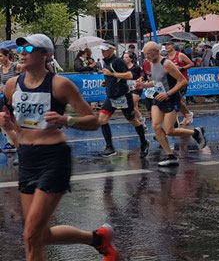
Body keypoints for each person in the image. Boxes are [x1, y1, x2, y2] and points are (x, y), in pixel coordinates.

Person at [0, 33, 119, 261]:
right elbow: (14, 120)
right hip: (26, 158)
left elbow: (94, 121)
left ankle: (99, 239)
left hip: (53, 159)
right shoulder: (12, 85)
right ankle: (98, 239)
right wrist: (7, 122)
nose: (22, 54)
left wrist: (67, 120)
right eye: (21, 50)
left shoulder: (60, 84)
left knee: (31, 234)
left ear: (46, 55)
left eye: (29, 50)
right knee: (39, 235)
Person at [135, 42, 206, 167]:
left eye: (148, 53)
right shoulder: (151, 64)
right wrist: (144, 85)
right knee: (156, 126)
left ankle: (195, 133)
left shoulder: (167, 64)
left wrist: (168, 94)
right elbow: (157, 82)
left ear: (156, 51)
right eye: (145, 54)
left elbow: (182, 81)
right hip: (158, 98)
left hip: (171, 99)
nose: (146, 56)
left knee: (169, 130)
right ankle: (171, 156)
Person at [98, 40, 149, 158]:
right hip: (111, 96)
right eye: (101, 49)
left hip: (123, 96)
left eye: (105, 50)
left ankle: (144, 143)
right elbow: (114, 76)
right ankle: (110, 147)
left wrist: (111, 75)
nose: (103, 52)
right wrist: (106, 82)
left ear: (111, 49)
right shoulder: (107, 62)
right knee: (102, 119)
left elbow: (129, 75)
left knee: (132, 120)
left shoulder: (118, 61)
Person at [165, 41, 194, 126]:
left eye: (168, 44)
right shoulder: (166, 58)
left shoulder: (180, 55)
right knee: (176, 100)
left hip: (182, 80)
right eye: (165, 45)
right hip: (172, 82)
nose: (166, 47)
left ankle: (188, 114)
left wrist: (181, 68)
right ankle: (186, 115)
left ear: (173, 46)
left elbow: (191, 63)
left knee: (179, 100)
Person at [0, 48, 23, 152]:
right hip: (6, 98)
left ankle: (21, 147)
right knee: (5, 123)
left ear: (7, 56)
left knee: (18, 124)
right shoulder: (0, 68)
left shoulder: (15, 66)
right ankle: (13, 143)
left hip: (17, 99)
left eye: (0, 56)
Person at [122, 51, 147, 129]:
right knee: (134, 107)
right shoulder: (123, 68)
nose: (124, 59)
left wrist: (141, 78)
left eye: (126, 57)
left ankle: (139, 122)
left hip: (136, 88)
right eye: (123, 57)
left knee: (131, 104)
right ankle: (141, 121)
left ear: (131, 59)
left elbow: (143, 74)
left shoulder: (136, 67)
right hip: (127, 88)